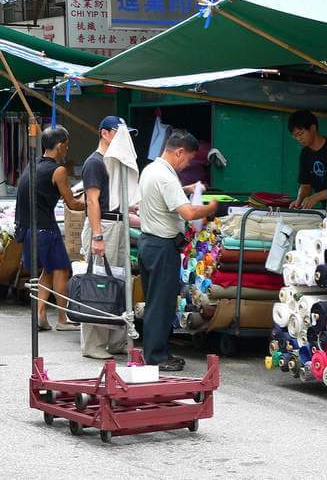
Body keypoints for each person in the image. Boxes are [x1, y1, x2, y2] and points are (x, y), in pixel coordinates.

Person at [138, 130, 217, 371]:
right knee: (161, 303)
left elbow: (168, 197)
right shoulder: (166, 177)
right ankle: (157, 357)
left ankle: (153, 352)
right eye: (188, 159)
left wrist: (188, 188)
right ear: (179, 151)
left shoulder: (151, 170)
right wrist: (212, 207)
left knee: (154, 301)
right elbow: (190, 213)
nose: (188, 164)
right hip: (162, 246)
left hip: (148, 243)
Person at [15, 125, 85, 331]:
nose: (67, 150)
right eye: (67, 146)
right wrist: (93, 203)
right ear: (61, 145)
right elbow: (72, 204)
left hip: (27, 229)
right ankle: (63, 319)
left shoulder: (33, 165)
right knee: (62, 270)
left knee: (47, 270)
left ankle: (40, 313)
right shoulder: (58, 170)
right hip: (46, 229)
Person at [80, 116, 129, 359]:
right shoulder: (95, 162)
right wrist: (97, 235)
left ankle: (116, 340)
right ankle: (93, 345)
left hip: (118, 223)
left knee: (118, 281)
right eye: (119, 133)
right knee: (99, 283)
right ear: (105, 133)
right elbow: (91, 200)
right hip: (105, 226)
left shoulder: (115, 162)